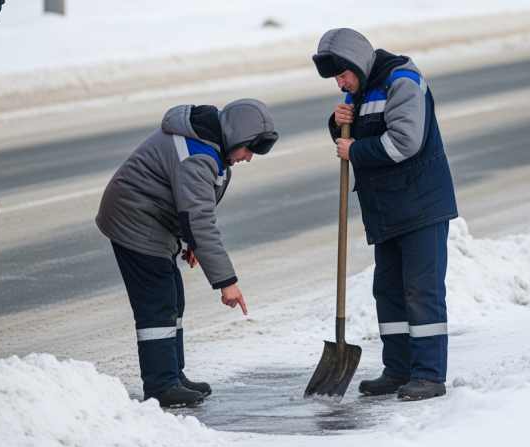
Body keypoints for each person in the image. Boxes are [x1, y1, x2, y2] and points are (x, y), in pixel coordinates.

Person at [96, 99, 278, 408]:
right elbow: (199, 220)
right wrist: (226, 282)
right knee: (158, 302)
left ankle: (173, 376)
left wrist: (189, 241)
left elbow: (189, 205)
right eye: (249, 149)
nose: (248, 158)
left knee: (173, 296)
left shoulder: (209, 145)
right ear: (237, 137)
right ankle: (161, 385)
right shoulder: (197, 155)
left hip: (150, 216)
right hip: (135, 219)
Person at [312, 29, 458, 400]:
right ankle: (399, 369)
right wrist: (338, 123)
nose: (340, 84)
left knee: (421, 290)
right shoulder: (358, 92)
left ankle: (429, 375)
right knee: (388, 291)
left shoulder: (403, 83)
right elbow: (356, 136)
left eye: (343, 75)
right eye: (336, 79)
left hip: (421, 206)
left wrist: (354, 150)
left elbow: (404, 142)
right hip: (387, 210)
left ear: (358, 64)